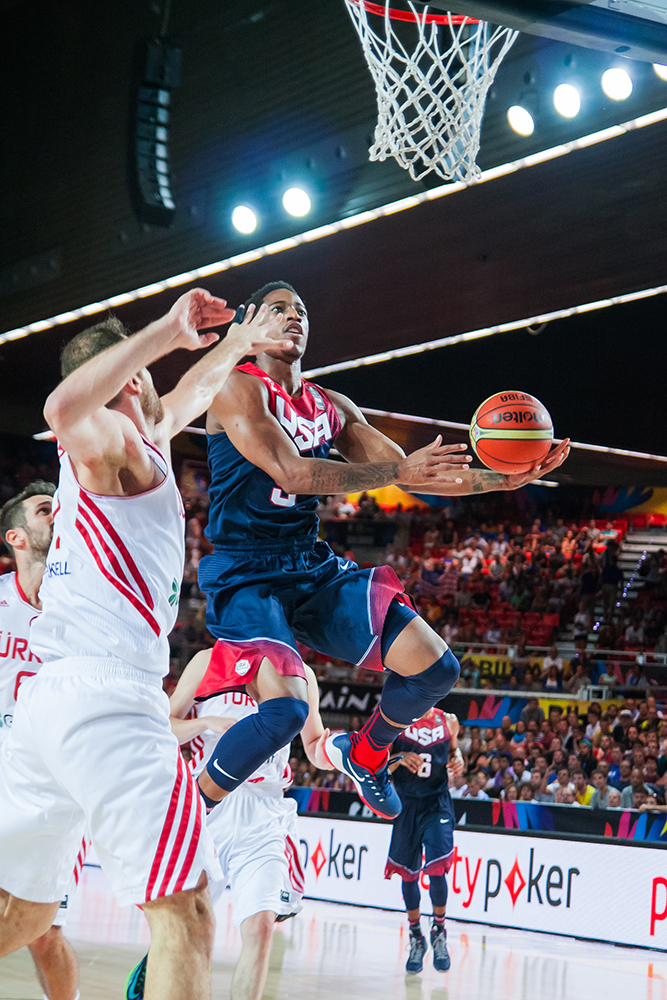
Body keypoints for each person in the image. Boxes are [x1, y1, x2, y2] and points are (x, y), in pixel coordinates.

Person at [0, 290, 294, 1000]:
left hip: (51, 704)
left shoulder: (146, 445)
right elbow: (62, 411)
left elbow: (189, 393)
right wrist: (166, 330)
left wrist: (236, 343)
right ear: (131, 378)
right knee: (186, 912)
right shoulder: (113, 446)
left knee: (30, 909)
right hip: (105, 697)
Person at [194, 281, 570, 820]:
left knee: (437, 670)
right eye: (279, 310)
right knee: (287, 714)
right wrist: (397, 470)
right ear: (251, 326)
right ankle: (186, 810)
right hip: (247, 572)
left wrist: (500, 481)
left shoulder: (333, 406)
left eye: (301, 310)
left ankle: (366, 753)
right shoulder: (236, 387)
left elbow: (420, 474)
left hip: (309, 564)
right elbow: (294, 472)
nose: (294, 317)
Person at [126, 647, 330, 1000]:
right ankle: (155, 976)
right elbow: (166, 726)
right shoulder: (207, 661)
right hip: (207, 805)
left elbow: (314, 748)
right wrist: (204, 723)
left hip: (265, 810)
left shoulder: (300, 673)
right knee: (184, 927)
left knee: (261, 927)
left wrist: (356, 753)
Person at [0, 482, 80, 1000]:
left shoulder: (81, 604)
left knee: (45, 933)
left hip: (52, 779)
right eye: (44, 508)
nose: (58, 513)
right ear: (17, 537)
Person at [385, 708, 463, 974]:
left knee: (437, 867)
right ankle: (416, 934)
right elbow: (378, 761)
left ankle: (439, 930)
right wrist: (400, 757)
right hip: (406, 804)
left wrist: (458, 757)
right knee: (409, 875)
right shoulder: (394, 716)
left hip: (437, 802)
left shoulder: (449, 720)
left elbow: (454, 752)